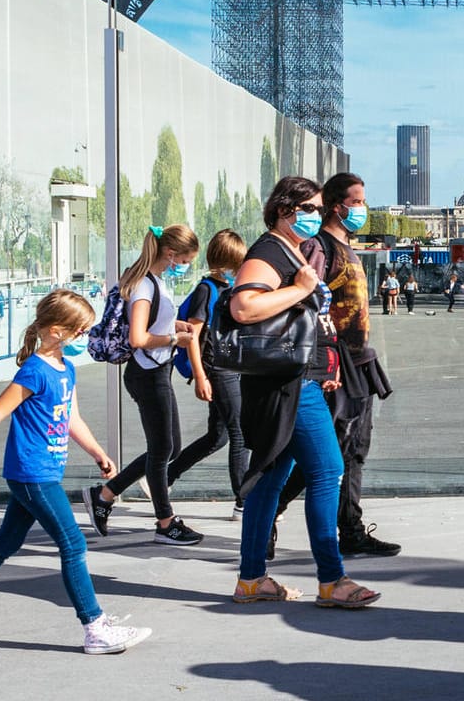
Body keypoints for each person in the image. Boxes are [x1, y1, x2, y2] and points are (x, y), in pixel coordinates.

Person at [0, 290, 152, 655]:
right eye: (80, 331)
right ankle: (95, 628)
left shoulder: (66, 368)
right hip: (32, 474)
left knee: (7, 542)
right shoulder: (34, 370)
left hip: (42, 472)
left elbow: (71, 417)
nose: (84, 338)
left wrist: (96, 452)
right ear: (58, 330)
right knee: (73, 543)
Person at [226, 176, 379, 609]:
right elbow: (244, 306)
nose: (315, 215)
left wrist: (324, 360)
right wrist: (299, 288)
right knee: (328, 470)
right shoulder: (268, 251)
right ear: (282, 211)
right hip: (289, 385)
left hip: (296, 379)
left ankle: (252, 578)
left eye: (316, 208)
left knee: (272, 478)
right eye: (307, 209)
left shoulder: (288, 250)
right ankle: (332, 580)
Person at [273, 173, 402, 559]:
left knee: (353, 450)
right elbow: (305, 302)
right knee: (319, 453)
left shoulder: (344, 247)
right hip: (334, 366)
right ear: (336, 205)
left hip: (356, 361)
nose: (361, 208)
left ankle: (351, 529)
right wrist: (324, 364)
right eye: (356, 201)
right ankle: (267, 515)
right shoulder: (320, 248)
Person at [81, 224, 206, 547]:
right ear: (170, 253)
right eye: (186, 259)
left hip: (155, 371)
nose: (186, 265)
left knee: (169, 447)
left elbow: (149, 324)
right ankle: (165, 522)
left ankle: (104, 495)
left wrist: (170, 326)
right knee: (164, 448)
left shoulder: (153, 282)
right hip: (147, 373)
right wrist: (173, 338)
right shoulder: (145, 286)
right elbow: (138, 338)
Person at [163, 230, 251, 519]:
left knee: (218, 437)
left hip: (230, 368)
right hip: (218, 369)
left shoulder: (228, 288)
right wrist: (201, 376)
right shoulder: (207, 290)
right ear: (229, 260)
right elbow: (192, 336)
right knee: (240, 432)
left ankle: (166, 477)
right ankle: (243, 500)